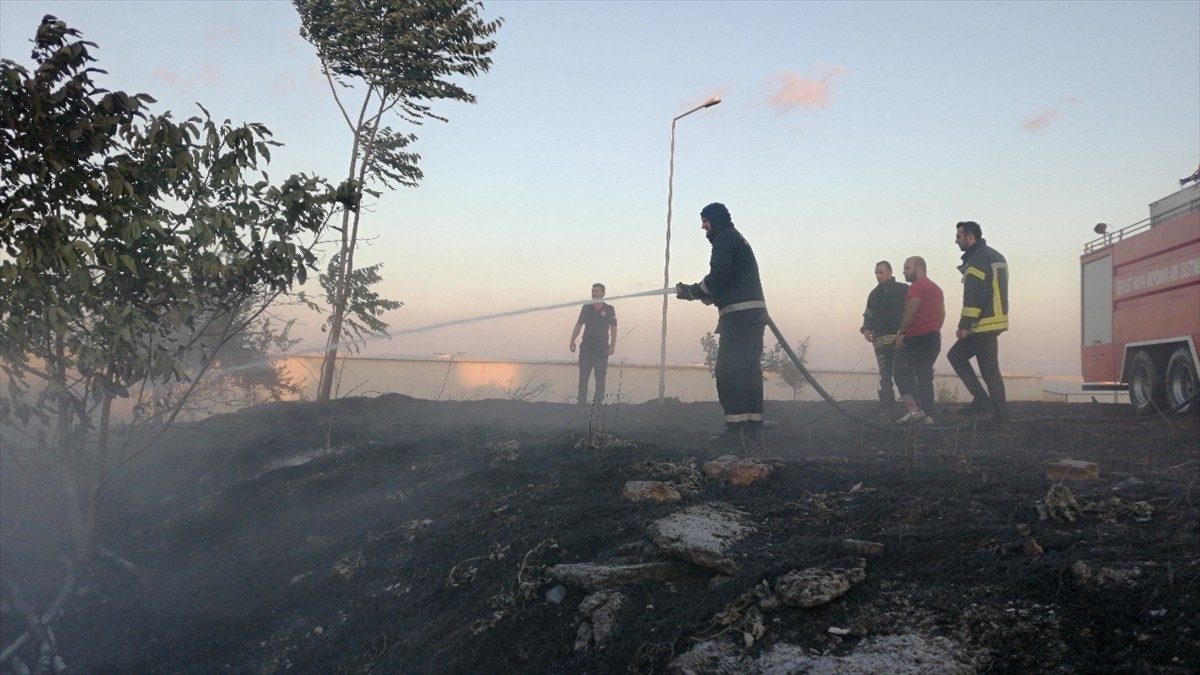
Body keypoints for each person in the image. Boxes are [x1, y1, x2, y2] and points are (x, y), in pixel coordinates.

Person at [675, 202, 769, 446]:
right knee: (748, 370)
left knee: (728, 370)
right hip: (751, 317)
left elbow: (717, 277)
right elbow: (731, 280)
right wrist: (714, 297)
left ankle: (735, 428)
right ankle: (752, 427)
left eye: (705, 221)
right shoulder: (736, 238)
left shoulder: (724, 239)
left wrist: (691, 291)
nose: (703, 226)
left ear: (715, 220)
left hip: (739, 319)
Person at [947, 220, 1010, 425]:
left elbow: (975, 294)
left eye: (959, 236)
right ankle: (989, 406)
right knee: (975, 363)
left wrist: (964, 325)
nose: (956, 240)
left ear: (970, 237)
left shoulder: (977, 259)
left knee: (984, 367)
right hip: (994, 320)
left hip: (983, 323)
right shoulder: (993, 255)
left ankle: (995, 412)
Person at [893, 256, 945, 425]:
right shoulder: (937, 289)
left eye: (907, 268)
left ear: (919, 268)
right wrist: (934, 329)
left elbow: (912, 310)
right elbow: (942, 315)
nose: (904, 271)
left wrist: (901, 333)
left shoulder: (916, 287)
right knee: (924, 375)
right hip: (933, 338)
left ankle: (914, 410)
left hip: (915, 339)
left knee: (901, 374)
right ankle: (929, 415)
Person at [859, 261, 909, 415]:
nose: (878, 276)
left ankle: (912, 405)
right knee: (885, 375)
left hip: (900, 341)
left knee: (904, 373)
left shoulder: (903, 290)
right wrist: (866, 329)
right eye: (876, 273)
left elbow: (912, 310)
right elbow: (868, 315)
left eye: (881, 272)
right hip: (880, 343)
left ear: (890, 272)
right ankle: (887, 404)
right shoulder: (873, 294)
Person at [569, 283, 617, 406]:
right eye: (593, 291)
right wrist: (572, 340)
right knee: (583, 376)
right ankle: (581, 401)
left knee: (600, 377)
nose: (594, 293)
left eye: (597, 291)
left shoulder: (610, 309)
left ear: (603, 293)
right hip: (586, 348)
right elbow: (579, 324)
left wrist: (612, 346)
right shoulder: (586, 308)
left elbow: (614, 327)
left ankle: (598, 402)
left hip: (602, 349)